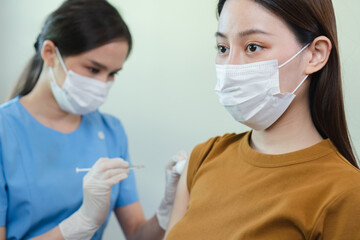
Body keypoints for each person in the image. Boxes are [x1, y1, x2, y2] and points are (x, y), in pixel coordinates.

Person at [165, 0, 360, 239]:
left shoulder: (346, 193)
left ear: (315, 55)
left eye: (253, 47)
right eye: (223, 48)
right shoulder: (203, 157)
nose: (231, 68)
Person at [0, 0, 185, 239]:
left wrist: (168, 207)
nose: (102, 84)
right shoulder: (5, 131)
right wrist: (80, 223)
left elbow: (137, 235)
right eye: (93, 69)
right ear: (50, 53)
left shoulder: (110, 131)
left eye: (112, 74)